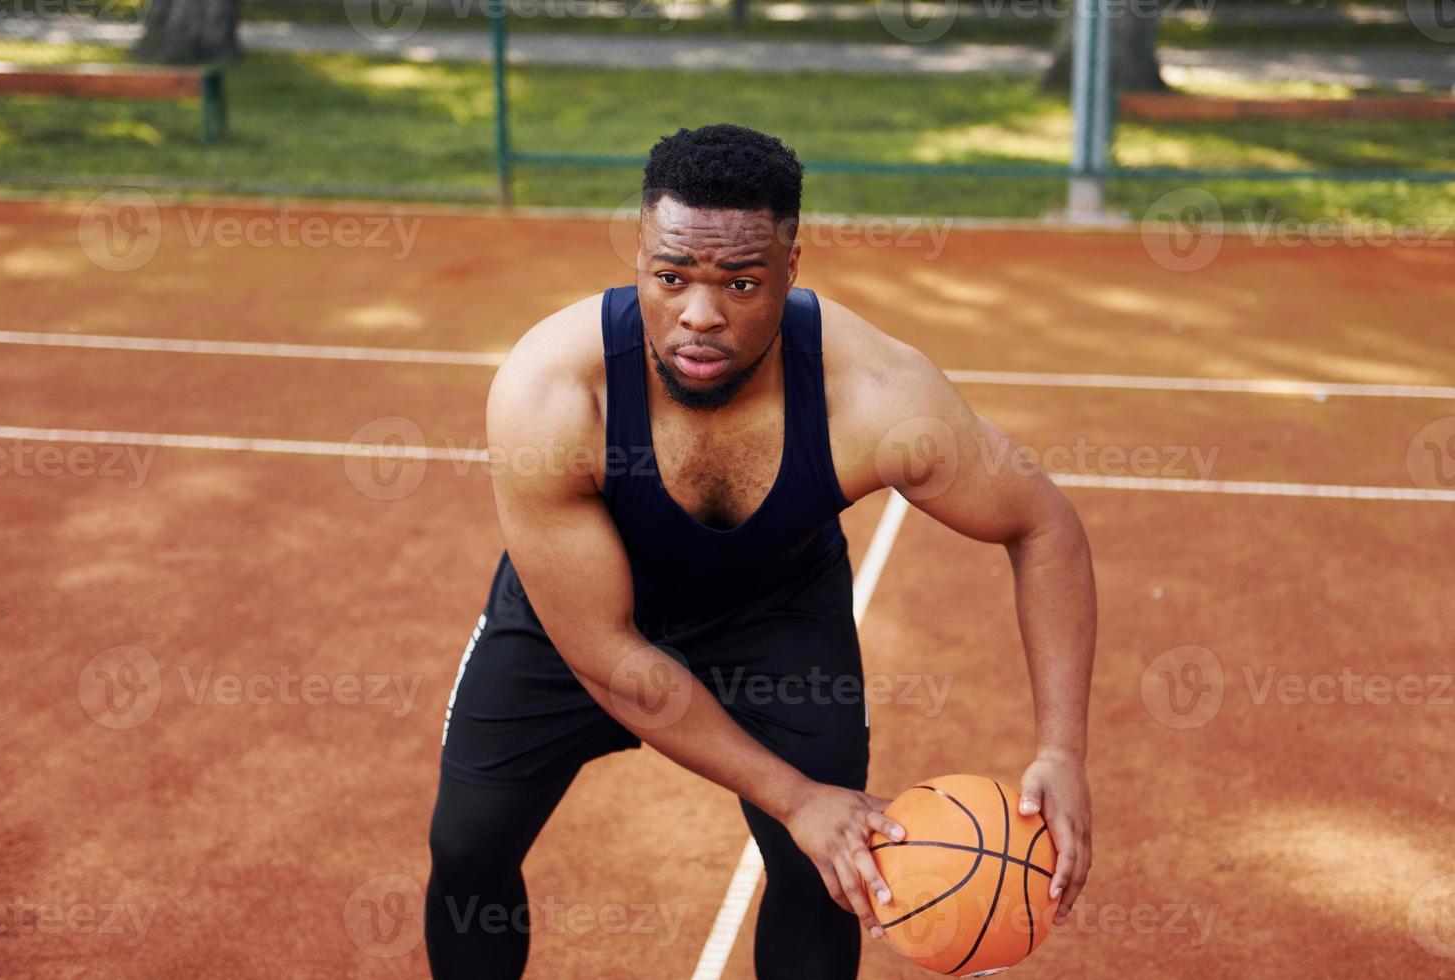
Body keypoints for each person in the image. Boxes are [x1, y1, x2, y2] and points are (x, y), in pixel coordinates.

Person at [426, 123, 1096, 979]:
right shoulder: (551, 394)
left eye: (740, 283)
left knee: (826, 869)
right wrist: (795, 797)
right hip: (584, 619)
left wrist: (1061, 753)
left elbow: (1042, 526)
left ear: (791, 269)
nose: (699, 318)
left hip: (774, 611)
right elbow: (607, 654)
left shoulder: (878, 398)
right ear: (637, 257)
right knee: (467, 849)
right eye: (670, 278)